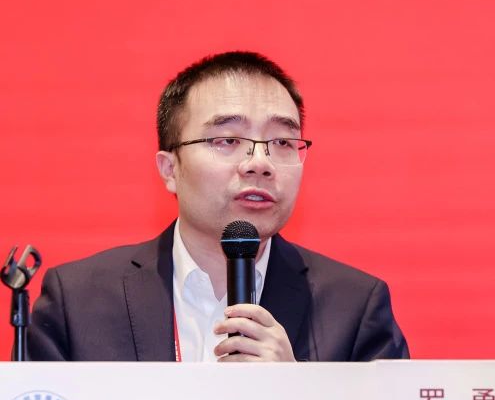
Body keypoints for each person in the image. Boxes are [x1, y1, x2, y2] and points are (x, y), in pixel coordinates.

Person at [27, 51, 409, 362]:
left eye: (282, 142)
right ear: (170, 169)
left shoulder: (355, 308)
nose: (260, 163)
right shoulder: (77, 301)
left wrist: (297, 391)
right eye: (228, 140)